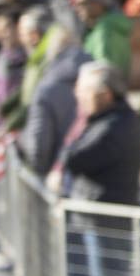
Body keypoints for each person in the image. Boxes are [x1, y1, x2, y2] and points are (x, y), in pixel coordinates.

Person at [58, 62, 140, 276]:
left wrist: (71, 145)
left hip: (106, 221)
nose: (78, 97)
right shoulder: (105, 120)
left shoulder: (115, 126)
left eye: (84, 92)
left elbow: (75, 156)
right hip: (96, 218)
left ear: (105, 95)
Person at [19, 28, 90, 178]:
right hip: (89, 173)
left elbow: (39, 139)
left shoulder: (46, 87)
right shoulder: (96, 77)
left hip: (58, 173)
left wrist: (38, 171)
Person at [76, 0, 131, 80]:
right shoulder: (106, 27)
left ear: (98, 4)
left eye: (84, 3)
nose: (78, 7)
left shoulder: (104, 32)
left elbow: (103, 71)